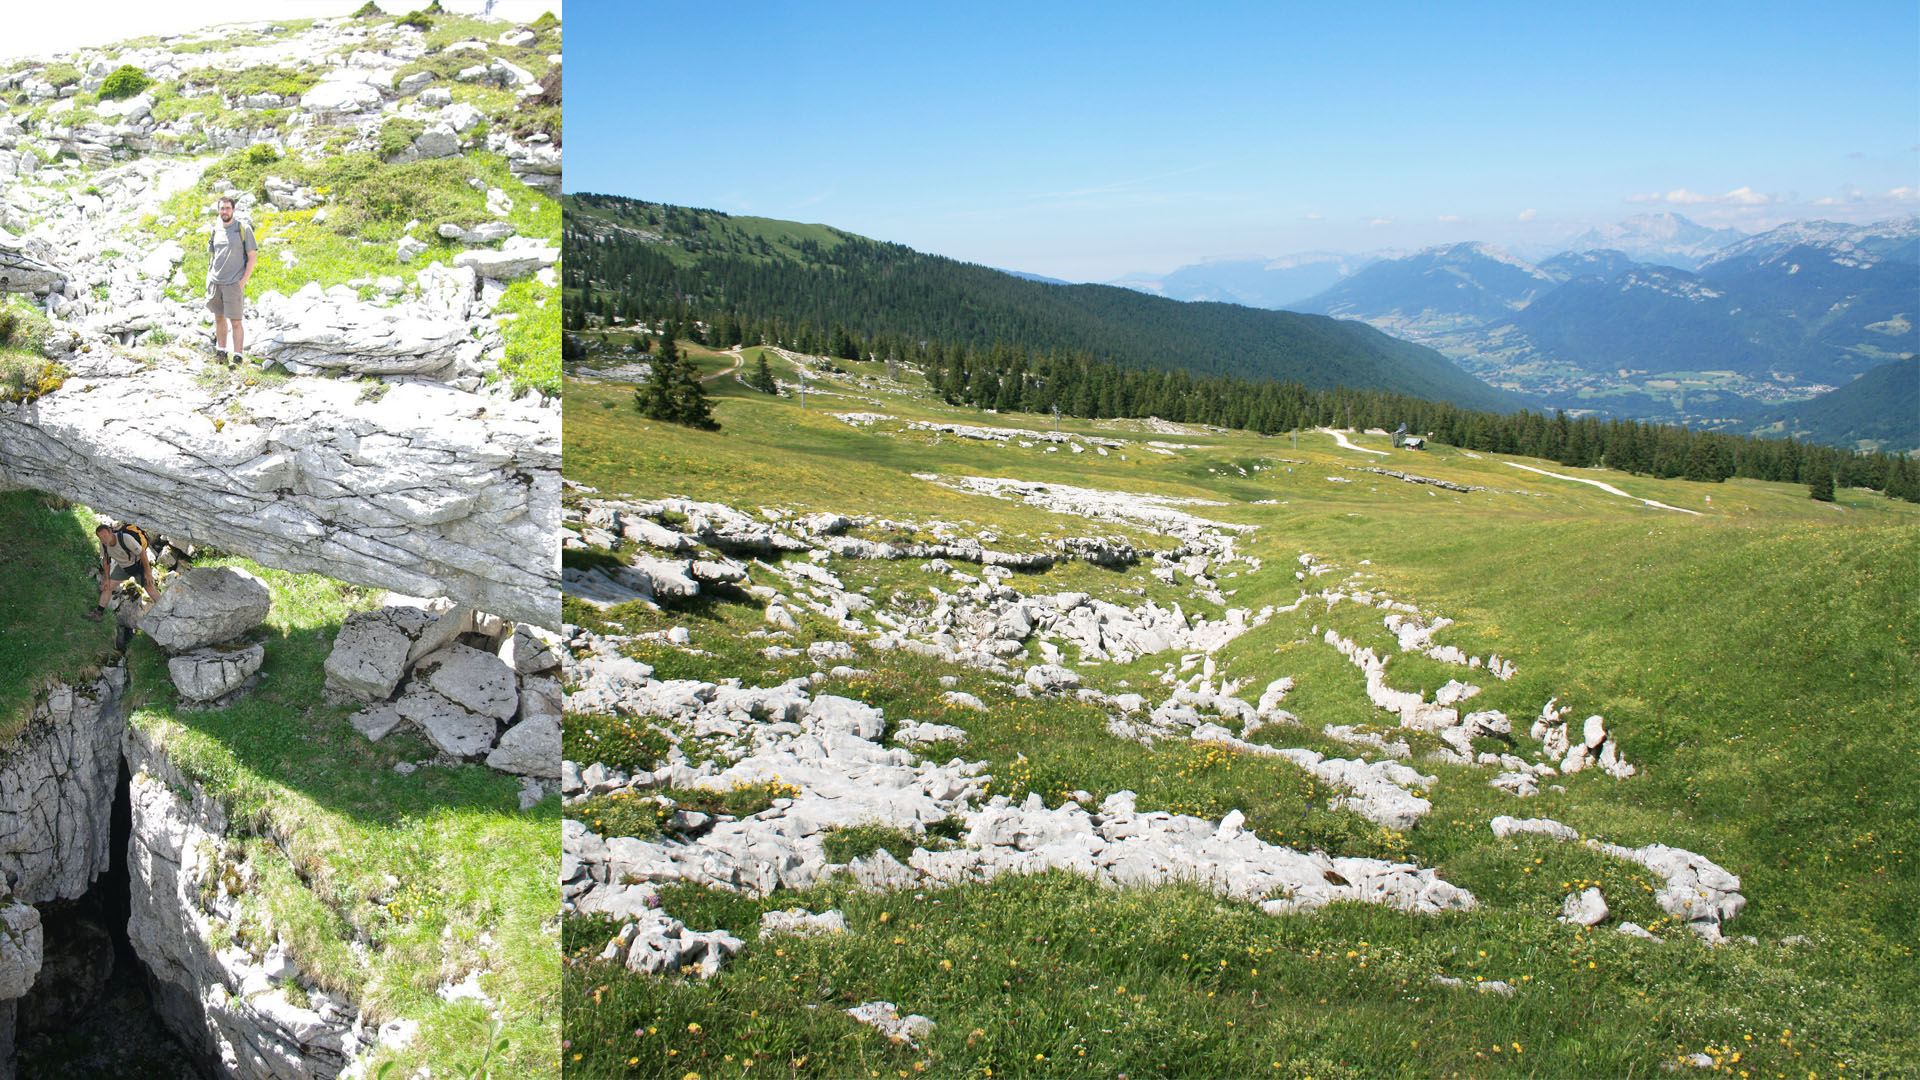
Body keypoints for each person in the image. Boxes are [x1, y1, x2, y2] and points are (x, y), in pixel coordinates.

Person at [206, 194, 258, 365]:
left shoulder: (243, 229)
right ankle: (221, 352)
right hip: (216, 282)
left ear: (233, 210)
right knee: (219, 317)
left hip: (234, 283)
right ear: (218, 210)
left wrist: (242, 282)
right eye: (222, 208)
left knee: (236, 320)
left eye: (228, 208)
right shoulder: (215, 230)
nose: (225, 211)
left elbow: (252, 257)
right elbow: (212, 256)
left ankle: (237, 356)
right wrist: (209, 278)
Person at [91, 521, 160, 621]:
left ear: (110, 532)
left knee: (150, 590)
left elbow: (143, 553)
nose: (103, 539)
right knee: (108, 586)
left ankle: (167, 613)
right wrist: (106, 578)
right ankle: (98, 613)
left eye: (105, 536)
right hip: (123, 567)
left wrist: (148, 573)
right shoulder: (103, 544)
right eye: (100, 537)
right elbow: (106, 561)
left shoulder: (125, 538)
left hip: (138, 566)